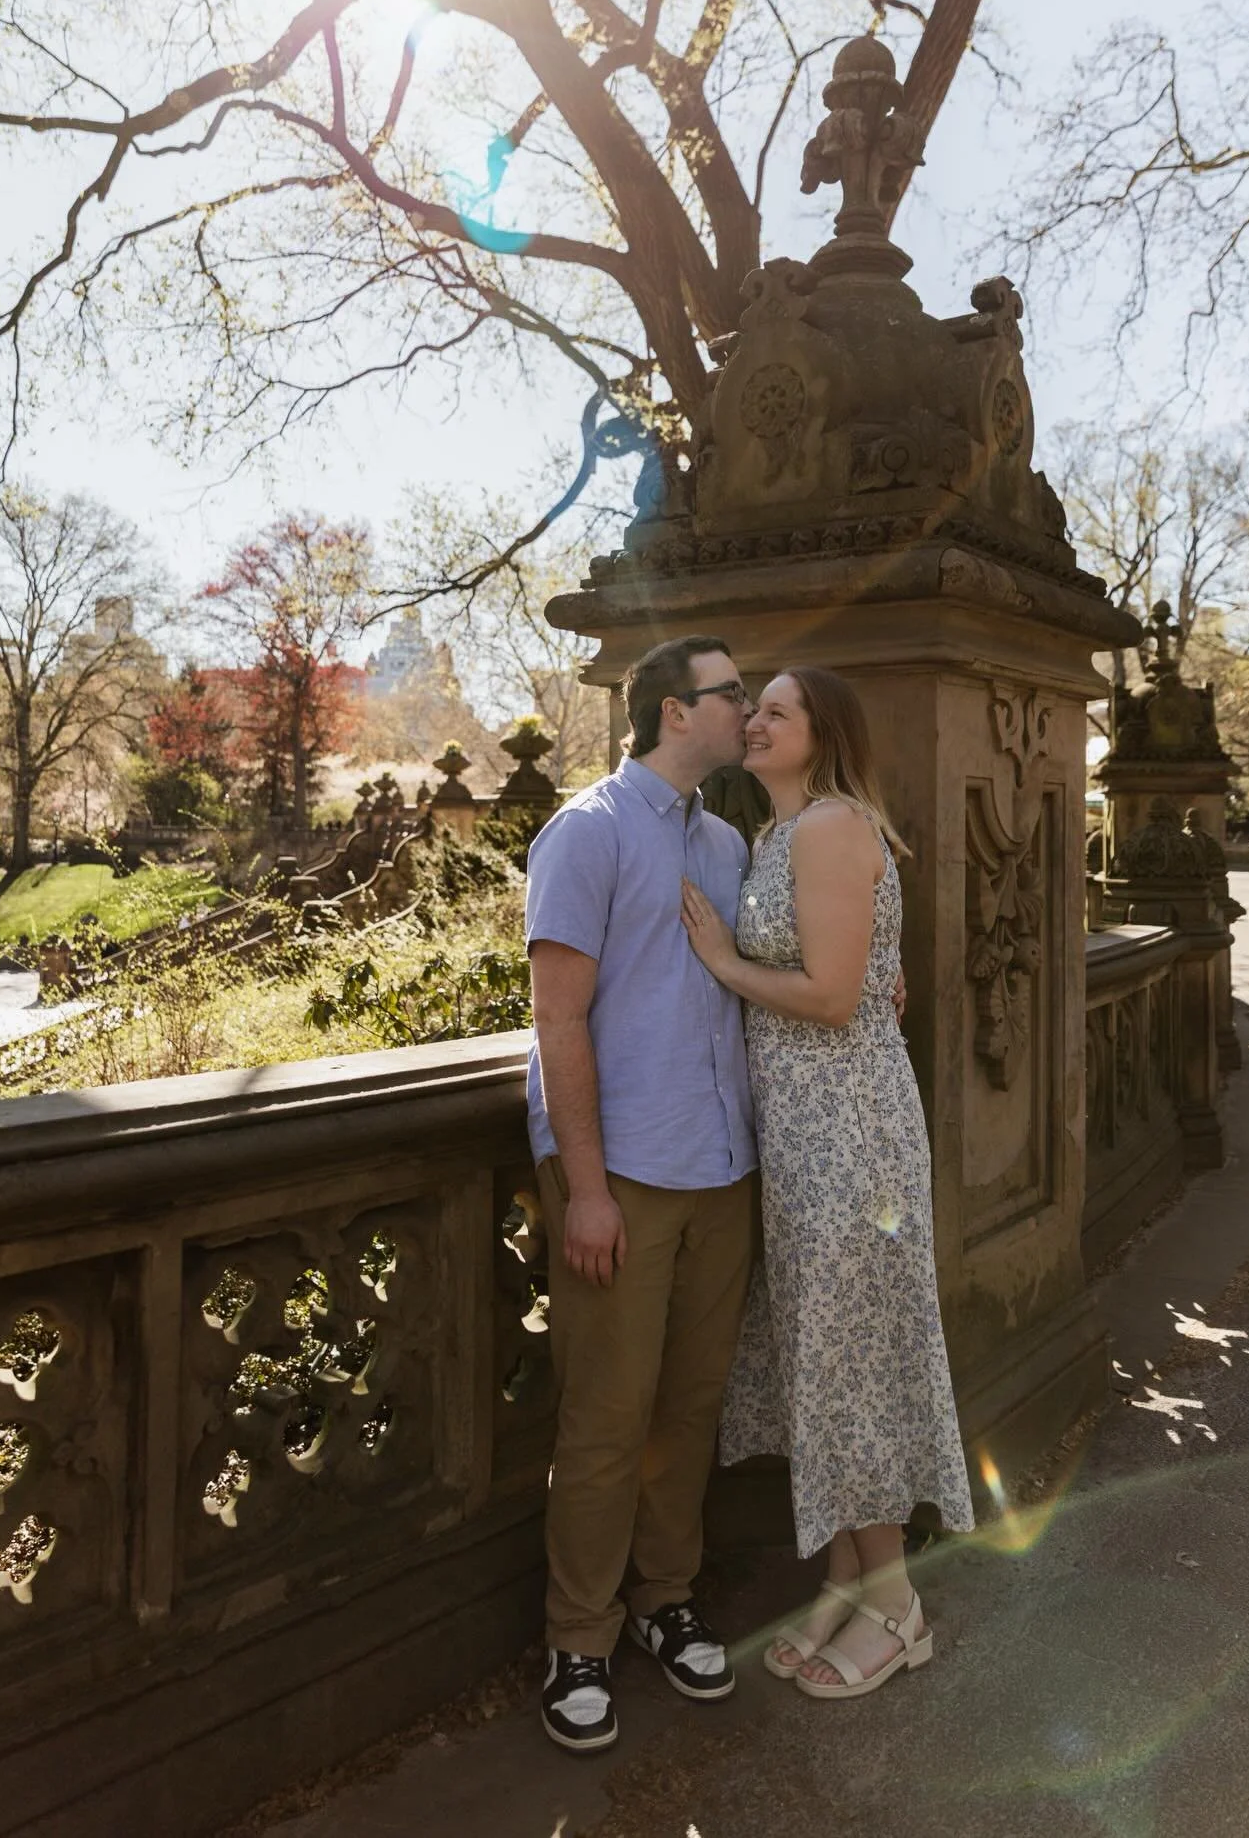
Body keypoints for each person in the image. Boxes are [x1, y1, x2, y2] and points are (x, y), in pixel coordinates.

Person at [681, 666, 973, 1702]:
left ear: (824, 732)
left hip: (852, 1135)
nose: (753, 720)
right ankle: (848, 1579)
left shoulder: (833, 827)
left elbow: (837, 993)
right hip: (804, 1137)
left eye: (776, 710)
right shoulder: (773, 835)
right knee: (824, 1352)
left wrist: (722, 960)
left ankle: (898, 1603)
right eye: (749, 707)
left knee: (855, 1351)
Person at [525, 634, 759, 1753]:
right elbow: (558, 1018)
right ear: (676, 711)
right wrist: (585, 1189)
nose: (748, 710)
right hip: (621, 1171)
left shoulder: (726, 840)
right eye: (733, 695)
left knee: (690, 1405)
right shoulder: (587, 829)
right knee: (607, 1418)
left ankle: (668, 1600)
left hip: (723, 1166)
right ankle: (579, 1637)